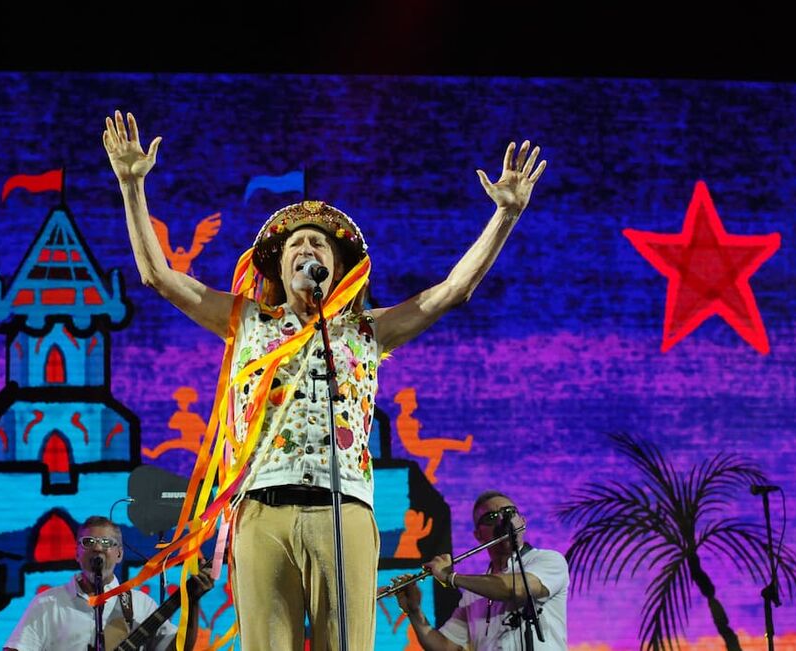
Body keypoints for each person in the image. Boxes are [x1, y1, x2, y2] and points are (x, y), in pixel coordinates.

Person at [103, 110, 547, 650]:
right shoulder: (246, 320)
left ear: (338, 268)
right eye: (296, 245)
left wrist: (504, 216)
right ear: (278, 266)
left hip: (346, 510)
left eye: (319, 245)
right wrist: (131, 186)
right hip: (261, 509)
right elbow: (158, 276)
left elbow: (452, 290)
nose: (307, 250)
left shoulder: (367, 331)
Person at [4, 516, 212, 651]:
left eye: (106, 543)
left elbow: (178, 648)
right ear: (76, 553)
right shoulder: (48, 603)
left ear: (119, 554)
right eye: (88, 542)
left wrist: (192, 602)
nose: (97, 548)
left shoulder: (140, 604)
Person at [395, 491, 569, 650]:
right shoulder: (473, 595)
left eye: (509, 512)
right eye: (491, 517)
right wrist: (414, 612)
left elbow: (517, 588)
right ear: (478, 535)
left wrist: (450, 577)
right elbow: (447, 647)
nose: (503, 520)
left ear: (523, 521)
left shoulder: (547, 560)